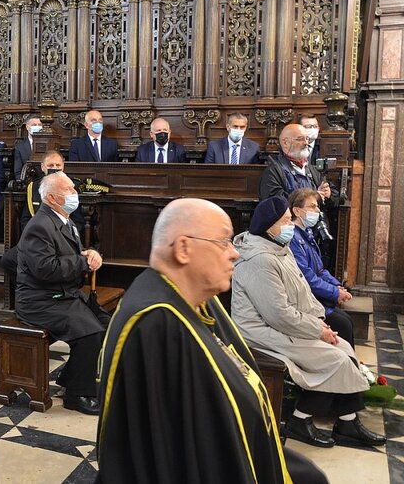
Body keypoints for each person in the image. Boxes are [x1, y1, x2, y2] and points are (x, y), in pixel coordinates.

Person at [97, 198, 328, 484]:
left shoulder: (200, 300)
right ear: (183, 248)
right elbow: (160, 456)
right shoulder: (155, 324)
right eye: (224, 242)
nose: (235, 254)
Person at [231, 196, 385, 449]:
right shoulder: (260, 259)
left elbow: (301, 291)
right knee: (334, 360)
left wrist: (319, 322)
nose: (292, 224)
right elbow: (277, 314)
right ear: (270, 226)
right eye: (287, 220)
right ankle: (299, 420)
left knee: (344, 349)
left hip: (286, 323)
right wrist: (316, 330)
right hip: (261, 331)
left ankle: (347, 420)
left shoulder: (280, 247)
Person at [15, 172, 108, 415]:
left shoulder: (64, 220)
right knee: (90, 334)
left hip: (62, 294)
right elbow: (45, 269)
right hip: (39, 300)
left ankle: (71, 377)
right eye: (69, 190)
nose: (75, 193)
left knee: (105, 323)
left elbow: (68, 254)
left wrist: (89, 253)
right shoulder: (39, 226)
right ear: (53, 198)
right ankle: (76, 395)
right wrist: (82, 262)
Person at [288, 188, 355, 347]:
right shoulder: (293, 238)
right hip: (307, 300)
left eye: (317, 206)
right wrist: (334, 293)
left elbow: (320, 269)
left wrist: (337, 286)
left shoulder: (307, 233)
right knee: (343, 324)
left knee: (347, 320)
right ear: (297, 211)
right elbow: (307, 277)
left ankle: (353, 366)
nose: (318, 210)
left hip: (319, 296)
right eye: (312, 207)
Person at [258, 124, 336, 207]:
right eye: (300, 139)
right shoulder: (273, 172)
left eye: (307, 139)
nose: (306, 143)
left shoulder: (313, 169)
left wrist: (328, 194)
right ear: (285, 143)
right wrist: (313, 198)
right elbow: (275, 203)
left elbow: (336, 197)